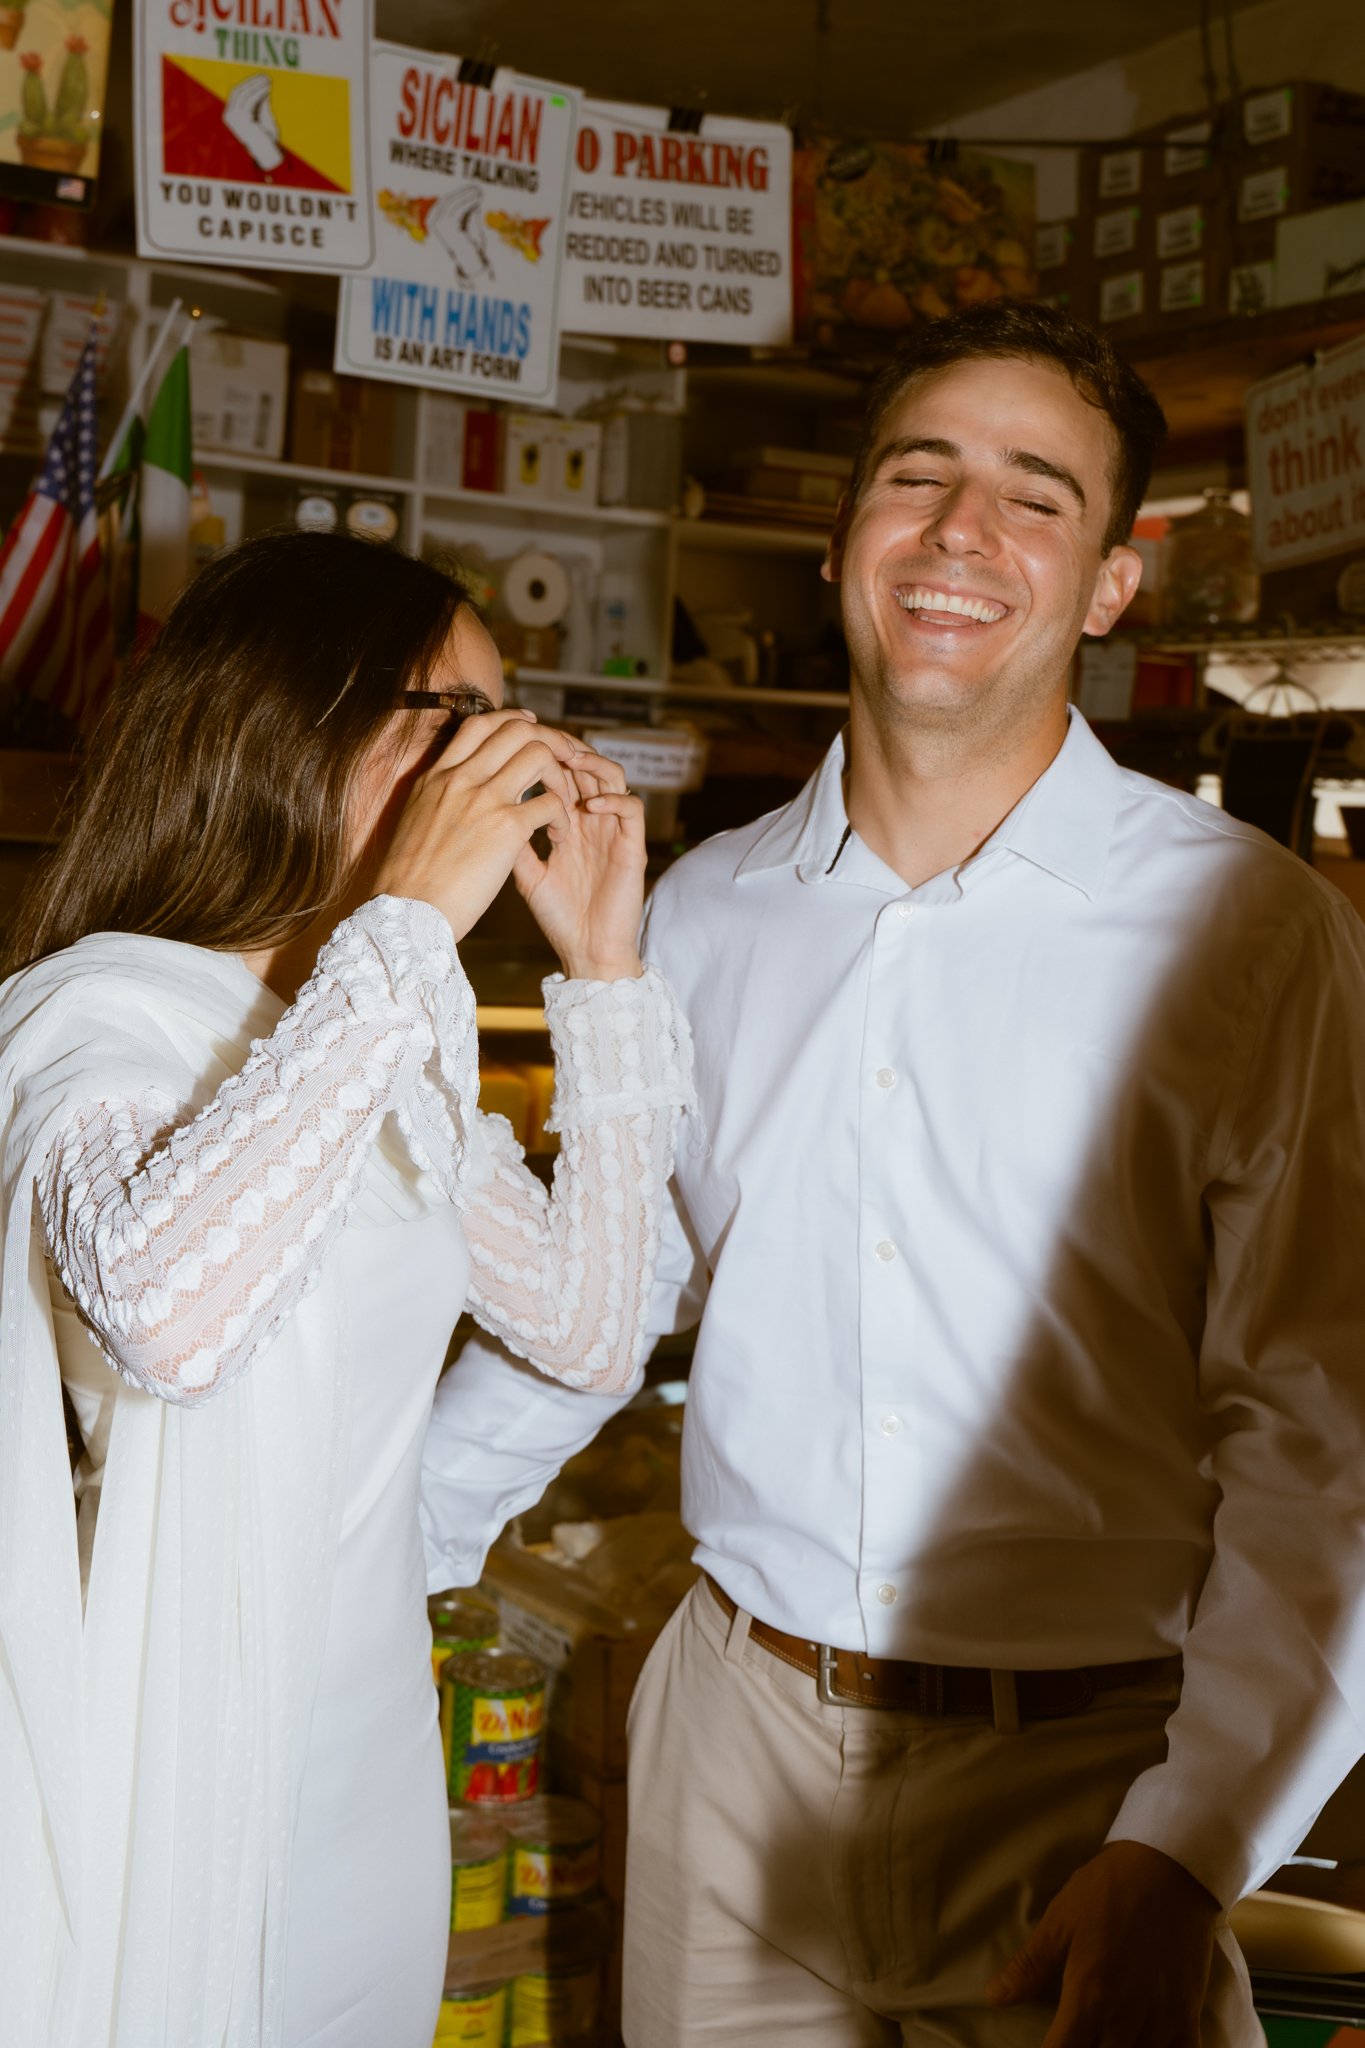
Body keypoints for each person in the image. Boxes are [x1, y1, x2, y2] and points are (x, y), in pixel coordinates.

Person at [422, 299, 1365, 2048]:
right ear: (842, 530)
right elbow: (613, 1294)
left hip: (1094, 1777)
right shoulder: (699, 913)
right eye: (914, 477)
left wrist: (1189, 1844)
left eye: (1034, 496)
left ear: (1105, 587)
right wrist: (373, 1546)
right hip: (728, 1747)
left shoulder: (1255, 936)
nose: (956, 534)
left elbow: (1319, 1443)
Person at [0, 529, 695, 2048]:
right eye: (453, 721)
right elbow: (168, 1314)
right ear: (281, 726)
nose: (502, 768)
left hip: (365, 1761)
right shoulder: (90, 1021)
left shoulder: (379, 1029)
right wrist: (397, 935)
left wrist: (606, 971)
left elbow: (589, 1329)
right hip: (144, 1764)